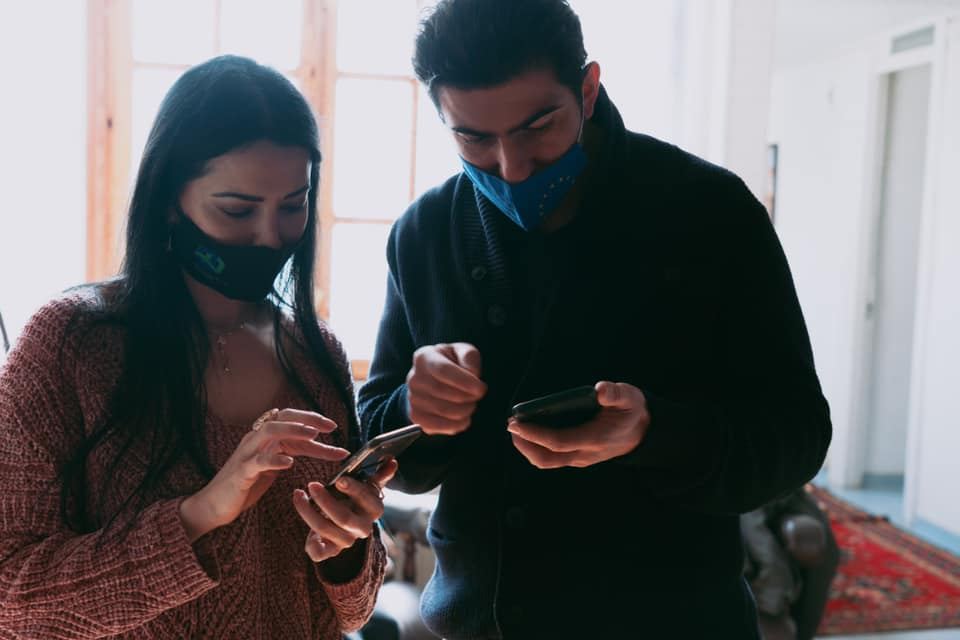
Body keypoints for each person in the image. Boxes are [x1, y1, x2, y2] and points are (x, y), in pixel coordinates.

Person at [357, 1, 833, 637]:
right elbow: (384, 451)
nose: (511, 165)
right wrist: (418, 410)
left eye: (536, 127)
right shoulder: (423, 232)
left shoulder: (709, 212)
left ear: (588, 87)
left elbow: (796, 435)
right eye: (472, 137)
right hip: (478, 624)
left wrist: (654, 432)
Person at [0, 55, 394, 639]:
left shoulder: (317, 356)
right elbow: (11, 597)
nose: (269, 237)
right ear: (167, 199)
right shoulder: (68, 347)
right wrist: (201, 513)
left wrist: (345, 550)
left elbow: (352, 611)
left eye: (293, 205)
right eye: (237, 210)